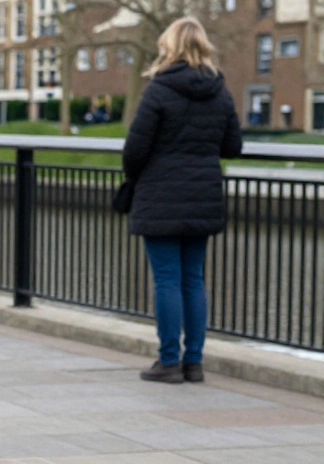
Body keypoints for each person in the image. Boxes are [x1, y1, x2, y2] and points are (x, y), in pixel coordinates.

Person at [122, 17, 242, 384]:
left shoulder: (158, 90)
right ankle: (194, 363)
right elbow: (232, 147)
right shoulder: (220, 91)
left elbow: (135, 150)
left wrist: (135, 177)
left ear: (169, 47)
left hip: (161, 195)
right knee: (193, 279)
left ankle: (168, 362)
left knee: (167, 279)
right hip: (202, 195)